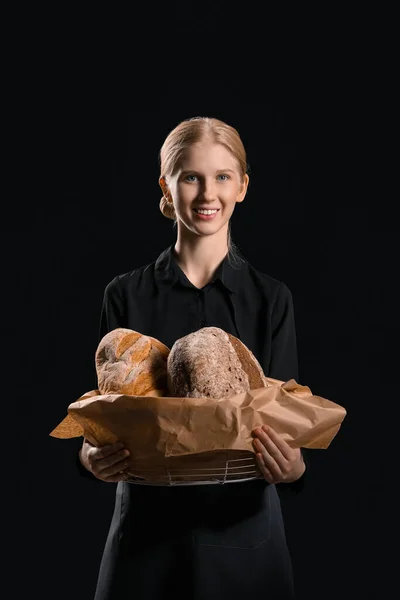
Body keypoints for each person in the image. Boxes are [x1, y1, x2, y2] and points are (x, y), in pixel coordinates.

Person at [77, 116, 307, 599]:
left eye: (222, 177)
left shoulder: (272, 299)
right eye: (191, 177)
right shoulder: (125, 296)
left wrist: (295, 469)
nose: (208, 194)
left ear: (242, 186)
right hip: (145, 546)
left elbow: (285, 427)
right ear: (166, 186)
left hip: (246, 546)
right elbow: (99, 419)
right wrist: (90, 458)